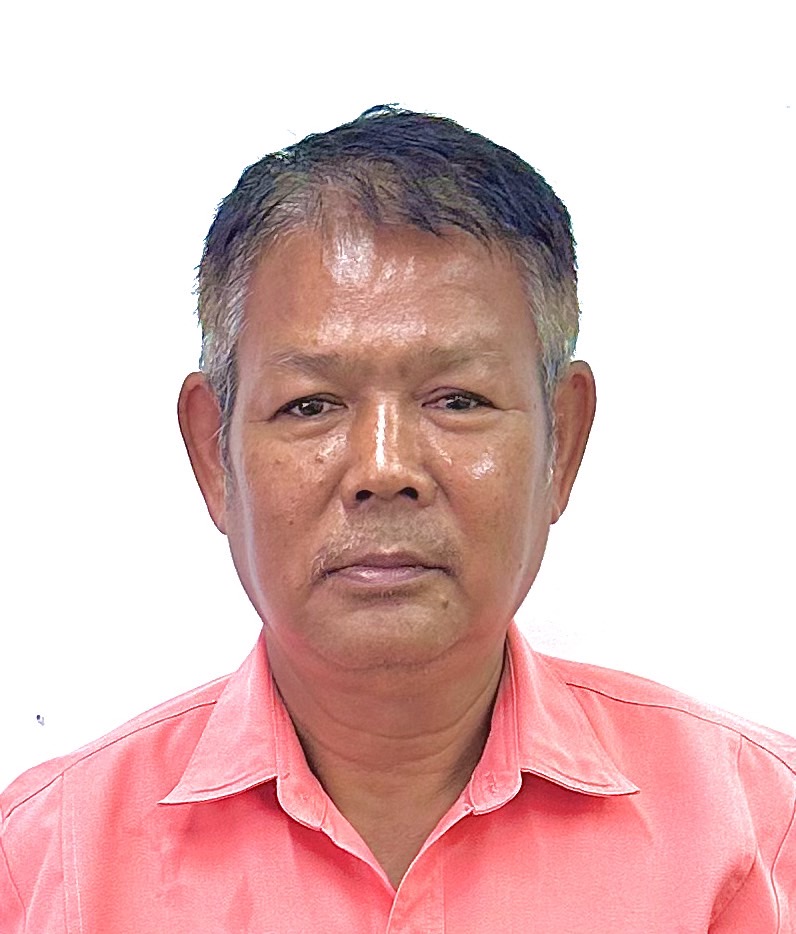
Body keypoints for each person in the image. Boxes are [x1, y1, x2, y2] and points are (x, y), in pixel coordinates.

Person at [1, 105, 793, 933]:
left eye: (458, 399)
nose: (384, 469)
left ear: (562, 442)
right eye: (311, 404)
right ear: (214, 454)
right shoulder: (47, 864)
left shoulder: (758, 833)